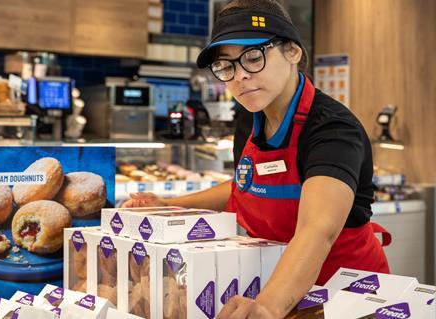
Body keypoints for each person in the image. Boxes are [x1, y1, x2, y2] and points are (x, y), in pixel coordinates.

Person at [123, 0, 391, 318]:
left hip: (344, 295)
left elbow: (318, 228)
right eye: (227, 66)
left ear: (293, 51)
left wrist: (267, 306)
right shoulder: (250, 117)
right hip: (277, 284)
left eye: (253, 57)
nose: (239, 77)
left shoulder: (331, 128)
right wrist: (171, 204)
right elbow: (246, 184)